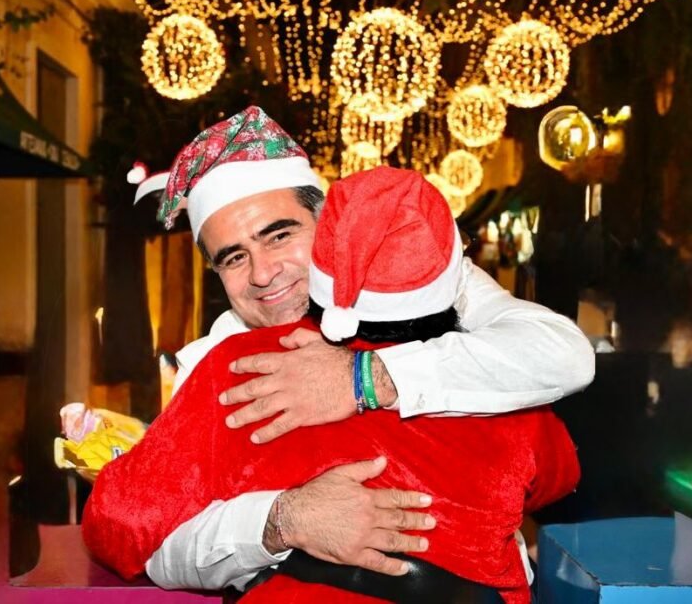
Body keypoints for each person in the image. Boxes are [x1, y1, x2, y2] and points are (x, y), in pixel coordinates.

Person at [118, 106, 593, 591]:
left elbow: (564, 355)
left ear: (328, 224)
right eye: (234, 258)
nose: (262, 273)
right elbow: (159, 550)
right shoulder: (217, 362)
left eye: (280, 235)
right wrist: (282, 519)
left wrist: (365, 377)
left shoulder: (420, 282)